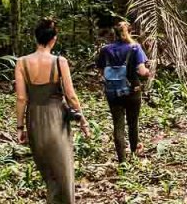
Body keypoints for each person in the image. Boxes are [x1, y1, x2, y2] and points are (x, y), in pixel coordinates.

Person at [15, 18, 91, 204]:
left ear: (36, 38)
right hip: (56, 118)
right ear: (53, 39)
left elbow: (21, 98)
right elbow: (70, 95)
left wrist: (20, 127)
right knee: (64, 174)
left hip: (34, 121)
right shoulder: (59, 62)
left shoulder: (22, 63)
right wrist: (83, 120)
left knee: (49, 176)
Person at [95, 21, 151, 164]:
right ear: (130, 32)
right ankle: (133, 152)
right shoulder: (135, 47)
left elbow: (101, 71)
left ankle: (122, 161)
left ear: (113, 33)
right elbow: (141, 70)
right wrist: (148, 73)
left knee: (118, 125)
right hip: (133, 91)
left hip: (112, 92)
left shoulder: (105, 50)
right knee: (133, 122)